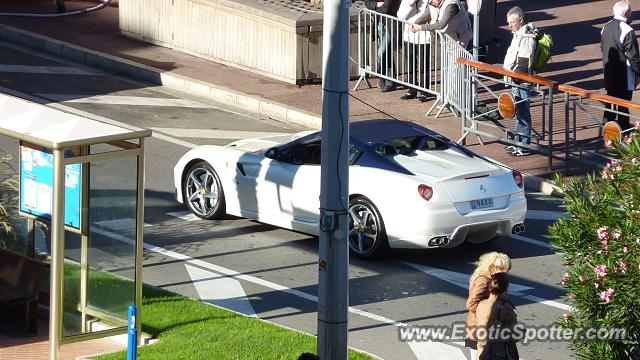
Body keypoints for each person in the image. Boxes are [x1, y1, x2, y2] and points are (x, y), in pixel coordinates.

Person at [502, 6, 537, 157]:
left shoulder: (527, 37)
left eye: (512, 22)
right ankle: (518, 143)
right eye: (508, 22)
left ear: (520, 21)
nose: (509, 25)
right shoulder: (518, 34)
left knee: (523, 112)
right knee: (519, 112)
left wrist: (514, 77)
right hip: (515, 79)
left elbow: (524, 60)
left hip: (520, 80)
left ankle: (524, 146)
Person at [601, 1, 640, 131]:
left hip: (609, 73)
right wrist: (638, 74)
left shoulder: (605, 27)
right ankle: (622, 134)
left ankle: (607, 131)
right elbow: (633, 57)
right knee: (623, 106)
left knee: (610, 103)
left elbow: (603, 48)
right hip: (625, 76)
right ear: (625, 13)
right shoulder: (628, 30)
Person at [465, 252, 511, 360]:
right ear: (492, 267)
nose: (506, 272)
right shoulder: (484, 281)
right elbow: (471, 304)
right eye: (503, 268)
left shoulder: (494, 280)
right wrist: (488, 311)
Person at [475, 272, 519, 360]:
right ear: (506, 287)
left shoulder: (481, 304)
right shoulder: (505, 307)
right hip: (498, 354)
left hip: (483, 353)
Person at [397, 0, 432, 102]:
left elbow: (429, 15)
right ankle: (411, 90)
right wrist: (410, 3)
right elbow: (400, 16)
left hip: (423, 36)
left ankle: (424, 91)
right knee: (410, 64)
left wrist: (418, 24)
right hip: (408, 36)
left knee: (423, 65)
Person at [365, 0, 401, 93]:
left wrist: (375, 7)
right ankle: (390, 81)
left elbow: (386, 8)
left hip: (391, 24)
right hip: (380, 24)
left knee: (381, 53)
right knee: (386, 53)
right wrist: (376, 4)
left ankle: (381, 76)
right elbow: (367, 2)